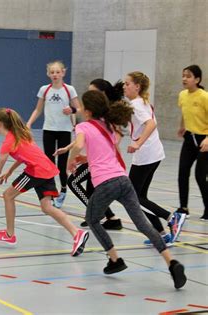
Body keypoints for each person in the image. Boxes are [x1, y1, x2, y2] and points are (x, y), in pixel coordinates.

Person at [67, 90, 186, 289]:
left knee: (92, 219)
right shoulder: (109, 126)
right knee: (143, 225)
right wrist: (86, 159)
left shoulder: (83, 126)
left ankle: (115, 259)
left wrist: (70, 161)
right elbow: (105, 151)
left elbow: (78, 144)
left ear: (87, 111)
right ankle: (171, 262)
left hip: (105, 183)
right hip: (123, 179)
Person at [0, 108, 89, 256]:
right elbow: (26, 155)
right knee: (47, 208)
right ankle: (77, 233)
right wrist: (10, 171)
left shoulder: (9, 141)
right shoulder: (22, 134)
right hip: (46, 168)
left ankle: (9, 235)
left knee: (8, 195)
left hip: (37, 171)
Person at [124, 71, 186, 245]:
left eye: (127, 83)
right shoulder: (141, 102)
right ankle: (160, 233)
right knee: (140, 196)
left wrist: (138, 144)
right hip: (154, 154)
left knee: (132, 197)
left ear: (137, 86)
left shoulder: (137, 105)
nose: (124, 86)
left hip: (146, 155)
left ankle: (172, 218)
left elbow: (151, 124)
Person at [54, 79, 124, 230]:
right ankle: (109, 217)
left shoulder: (107, 113)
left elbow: (114, 138)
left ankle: (97, 214)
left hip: (102, 160)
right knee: (92, 189)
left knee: (73, 181)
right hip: (95, 158)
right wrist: (67, 148)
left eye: (93, 91)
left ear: (102, 93)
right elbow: (85, 132)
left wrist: (70, 160)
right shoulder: (97, 113)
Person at [26, 61, 81, 208]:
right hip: (49, 129)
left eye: (58, 72)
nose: (55, 75)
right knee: (48, 163)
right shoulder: (44, 89)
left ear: (63, 73)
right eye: (52, 72)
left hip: (64, 130)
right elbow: (38, 109)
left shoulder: (69, 89)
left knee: (62, 164)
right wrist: (29, 123)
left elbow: (79, 108)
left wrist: (72, 110)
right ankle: (50, 192)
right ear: (48, 74)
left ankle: (63, 190)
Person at [176, 65, 208, 221]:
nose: (184, 79)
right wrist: (182, 126)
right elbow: (184, 111)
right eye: (183, 75)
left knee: (200, 176)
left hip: (205, 139)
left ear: (197, 79)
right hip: (189, 138)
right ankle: (183, 207)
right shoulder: (182, 95)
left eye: (188, 76)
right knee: (182, 172)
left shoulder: (204, 96)